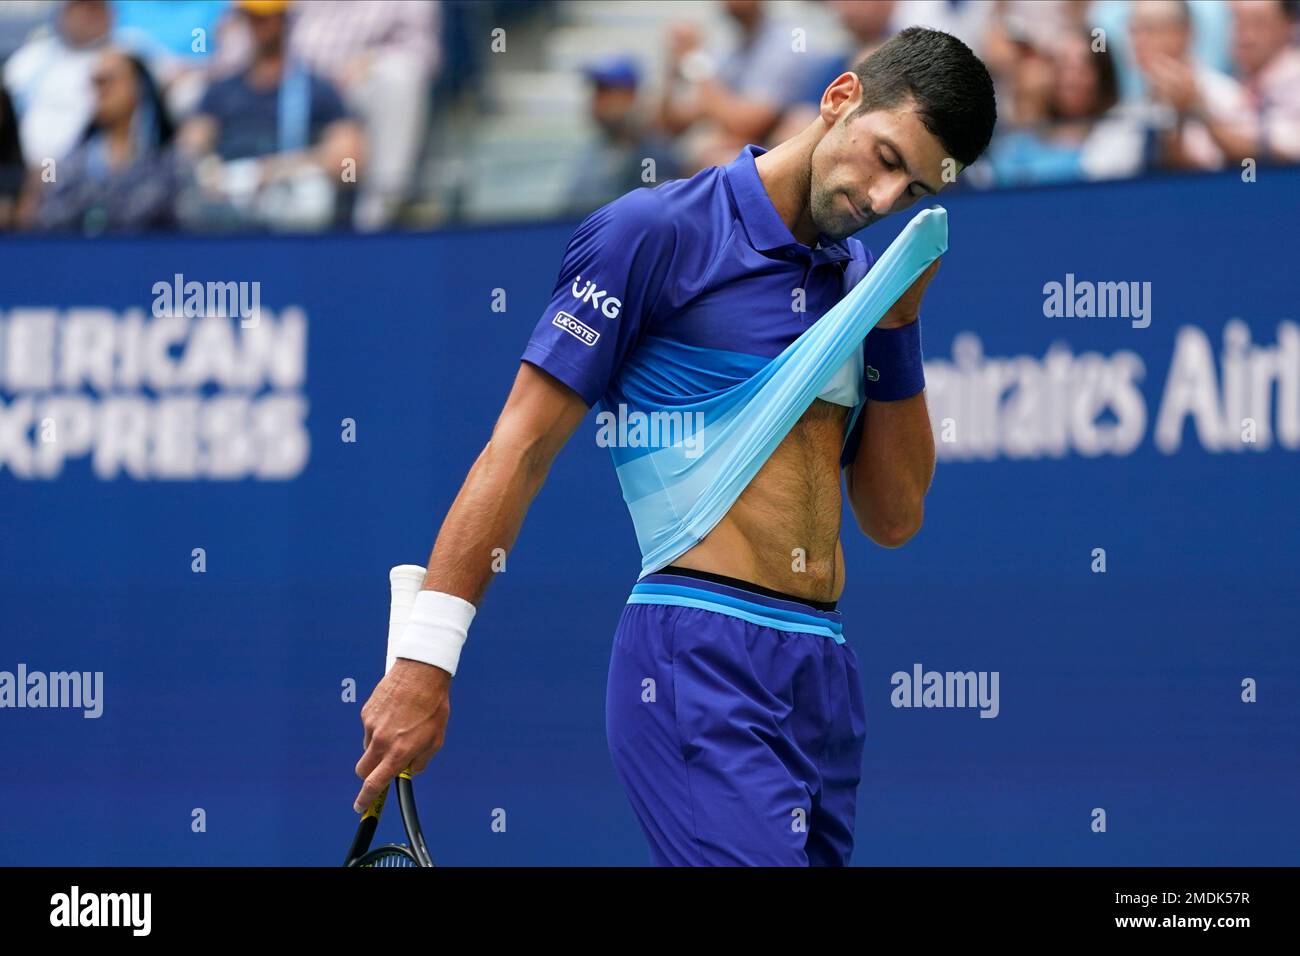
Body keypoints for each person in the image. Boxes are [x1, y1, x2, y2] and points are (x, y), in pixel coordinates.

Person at [355, 27, 998, 866]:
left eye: (911, 189)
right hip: (698, 657)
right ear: (840, 97)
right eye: (883, 158)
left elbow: (893, 515)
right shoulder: (652, 232)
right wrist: (424, 662)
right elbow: (517, 450)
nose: (881, 199)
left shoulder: (862, 287)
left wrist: (898, 325)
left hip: (822, 671)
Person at [176, 0, 363, 230]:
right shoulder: (221, 90)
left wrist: (273, 171)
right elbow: (188, 147)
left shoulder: (317, 89)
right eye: (252, 17)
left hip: (290, 200)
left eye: (266, 17)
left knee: (313, 191)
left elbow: (349, 164)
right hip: (229, 204)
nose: (258, 25)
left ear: (284, 19)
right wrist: (210, 171)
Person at [37, 48, 186, 233]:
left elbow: (184, 224)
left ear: (139, 86)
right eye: (95, 83)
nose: (100, 91)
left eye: (108, 81)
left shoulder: (171, 163)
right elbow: (50, 221)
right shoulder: (68, 165)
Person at [1127, 0, 1255, 171]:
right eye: (1134, 29)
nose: (1138, 40)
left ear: (1185, 32)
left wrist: (1193, 108)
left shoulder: (1224, 95)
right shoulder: (1132, 107)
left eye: (1150, 28)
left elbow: (1217, 171)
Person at [566, 55, 681, 214]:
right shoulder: (597, 148)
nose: (599, 102)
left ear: (631, 95)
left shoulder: (651, 155)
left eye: (607, 92)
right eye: (597, 92)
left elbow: (653, 215)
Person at [3, 0, 111, 165]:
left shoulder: (126, 55)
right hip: (29, 165)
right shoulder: (31, 57)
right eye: (79, 6)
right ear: (64, 12)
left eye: (95, 8)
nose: (87, 15)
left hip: (94, 168)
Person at [1230, 0, 1300, 163]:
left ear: (1288, 25)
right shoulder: (1231, 86)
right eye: (1238, 22)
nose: (1246, 35)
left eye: (1258, 22)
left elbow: (1289, 146)